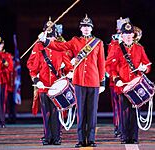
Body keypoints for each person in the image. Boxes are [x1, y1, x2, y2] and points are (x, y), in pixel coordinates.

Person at [38, 14, 106, 148]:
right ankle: (81, 139)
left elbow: (101, 63)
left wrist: (102, 82)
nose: (86, 29)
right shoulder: (75, 41)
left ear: (91, 28)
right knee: (80, 112)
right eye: (84, 27)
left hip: (93, 81)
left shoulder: (98, 43)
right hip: (79, 81)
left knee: (92, 113)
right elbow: (60, 47)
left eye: (88, 26)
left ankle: (91, 139)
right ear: (80, 29)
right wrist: (45, 41)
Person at [28, 17, 73, 145]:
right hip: (43, 85)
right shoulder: (38, 47)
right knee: (46, 112)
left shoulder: (60, 47)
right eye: (49, 36)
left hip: (56, 86)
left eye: (52, 37)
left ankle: (57, 136)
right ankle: (48, 137)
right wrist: (36, 80)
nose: (51, 40)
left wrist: (69, 72)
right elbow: (31, 65)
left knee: (56, 112)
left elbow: (68, 65)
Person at [106, 22, 151, 144]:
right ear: (122, 35)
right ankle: (125, 136)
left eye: (130, 33)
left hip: (136, 86)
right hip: (123, 85)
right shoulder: (116, 48)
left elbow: (148, 64)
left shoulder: (139, 48)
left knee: (135, 111)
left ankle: (134, 137)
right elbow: (108, 66)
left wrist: (144, 68)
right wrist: (116, 79)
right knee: (124, 111)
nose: (129, 36)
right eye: (126, 34)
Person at [106, 17, 130, 137]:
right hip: (116, 81)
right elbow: (109, 62)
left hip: (130, 80)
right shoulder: (113, 44)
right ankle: (119, 127)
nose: (122, 34)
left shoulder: (133, 43)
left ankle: (128, 128)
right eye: (120, 31)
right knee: (118, 105)